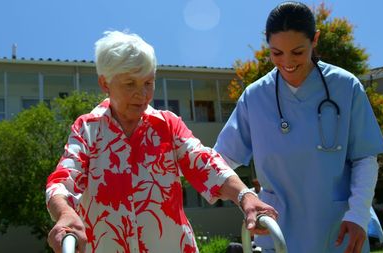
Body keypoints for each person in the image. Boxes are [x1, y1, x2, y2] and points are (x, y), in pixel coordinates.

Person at [45, 30, 276, 253]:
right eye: (130, 84)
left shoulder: (167, 125)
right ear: (105, 83)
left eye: (148, 82)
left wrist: (245, 196)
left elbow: (204, 162)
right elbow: (63, 179)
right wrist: (65, 213)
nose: (142, 94)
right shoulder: (87, 128)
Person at [214, 2, 383, 253]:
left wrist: (359, 214)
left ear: (314, 40)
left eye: (297, 52)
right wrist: (245, 197)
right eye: (276, 53)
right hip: (278, 232)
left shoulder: (345, 86)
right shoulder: (254, 97)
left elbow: (365, 157)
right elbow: (220, 162)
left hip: (339, 229)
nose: (287, 63)